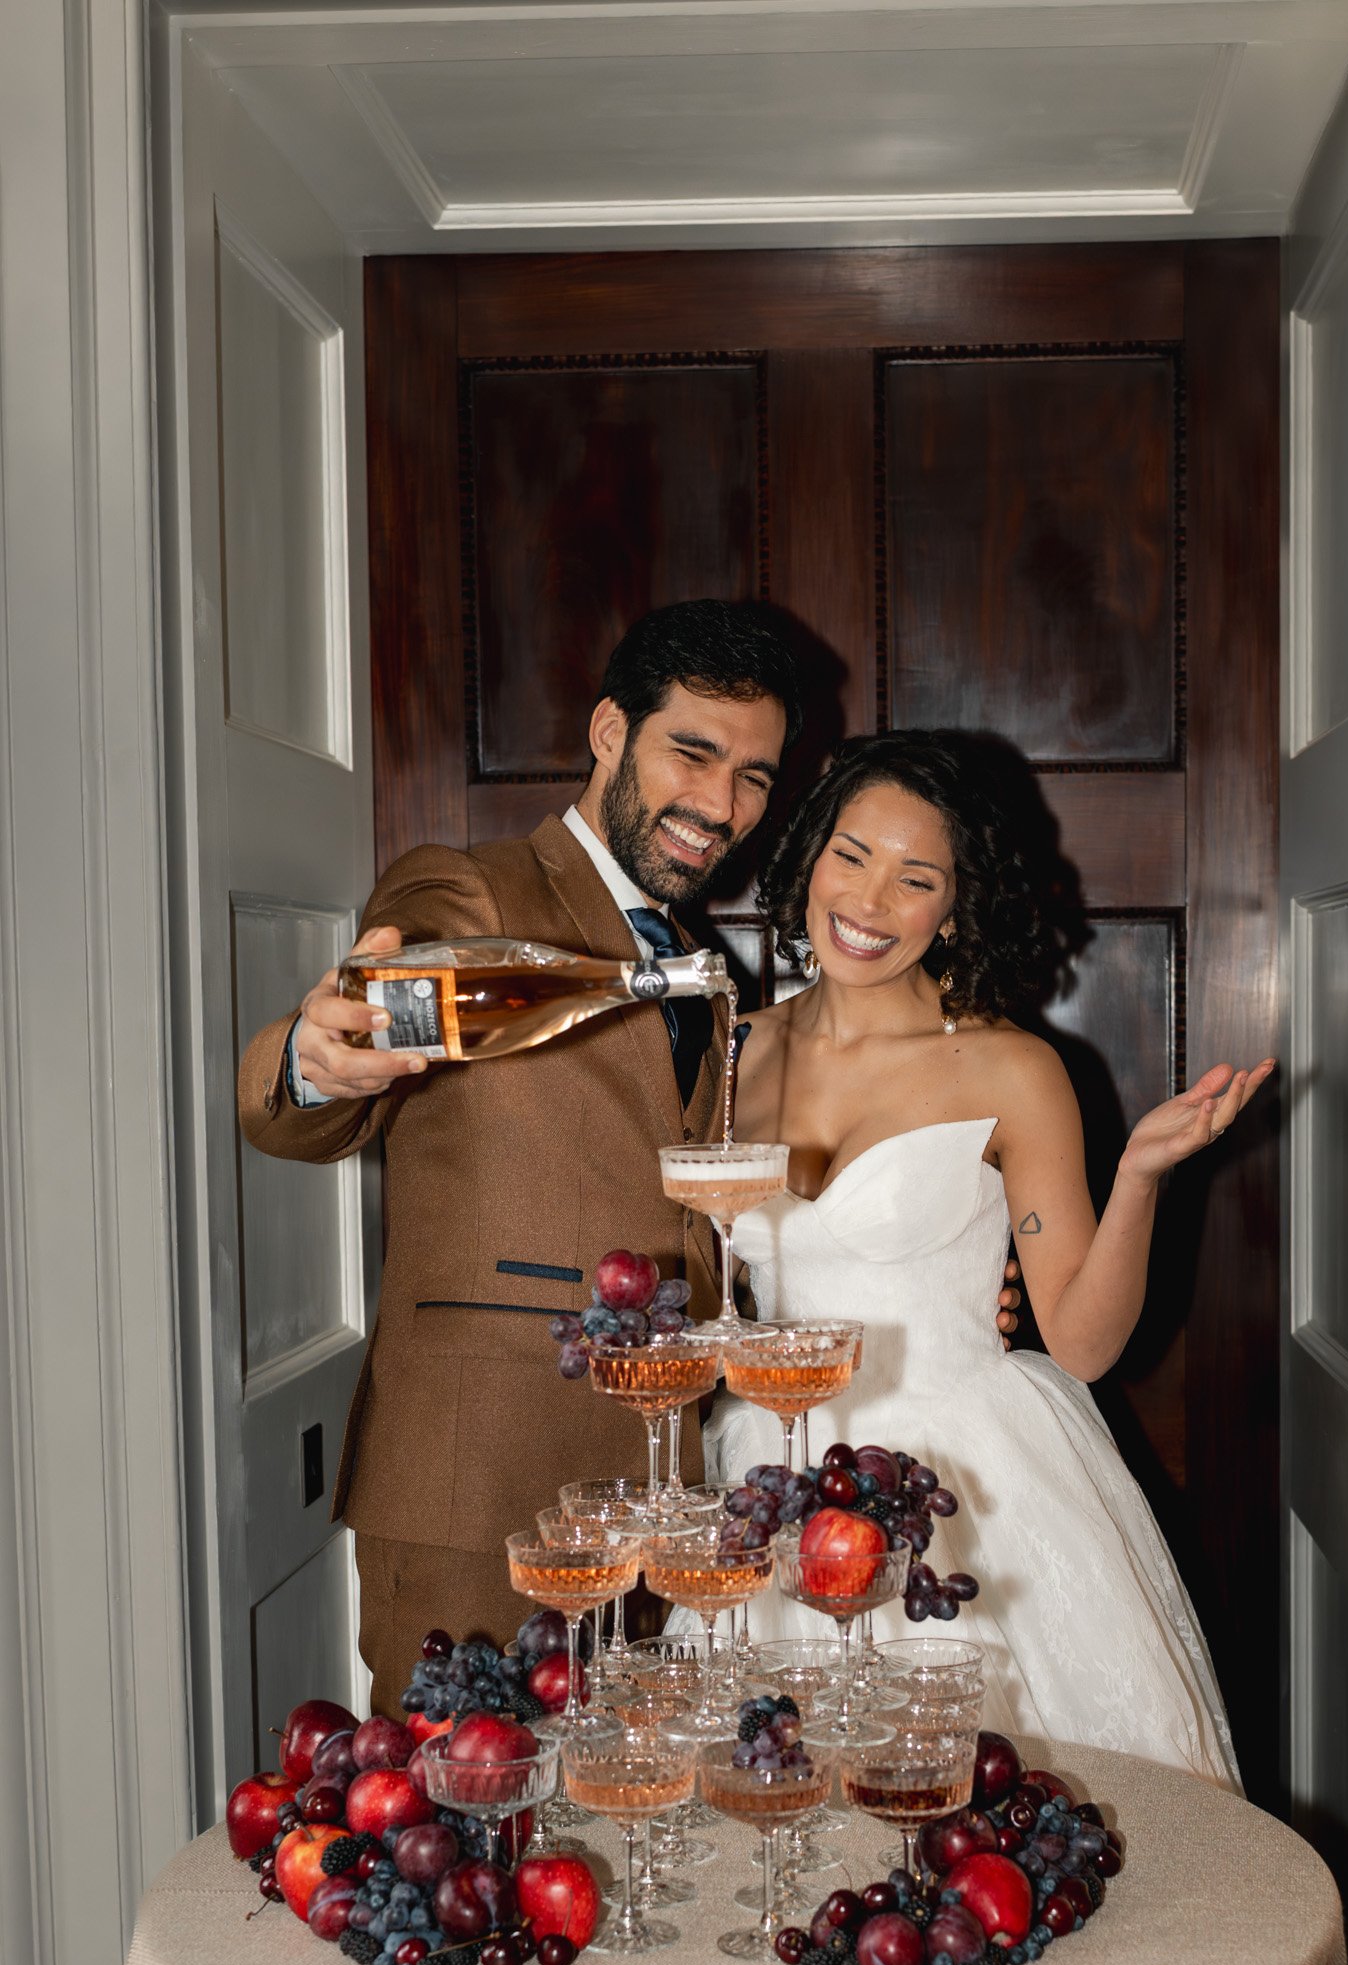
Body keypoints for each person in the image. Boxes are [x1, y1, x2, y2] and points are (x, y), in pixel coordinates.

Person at [236, 601, 803, 1717]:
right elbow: (341, 1059)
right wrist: (310, 1062)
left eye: (754, 777)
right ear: (608, 732)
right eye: (692, 751)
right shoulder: (470, 890)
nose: (722, 805)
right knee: (453, 1851)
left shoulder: (708, 965)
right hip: (476, 1489)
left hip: (659, 1498)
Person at [706, 732, 1271, 1784]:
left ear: (954, 909)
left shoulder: (1013, 1068)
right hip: (771, 1475)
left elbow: (1086, 1343)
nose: (868, 900)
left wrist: (1141, 1176)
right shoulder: (735, 1051)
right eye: (850, 854)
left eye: (914, 878)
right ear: (805, 859)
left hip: (968, 1489)